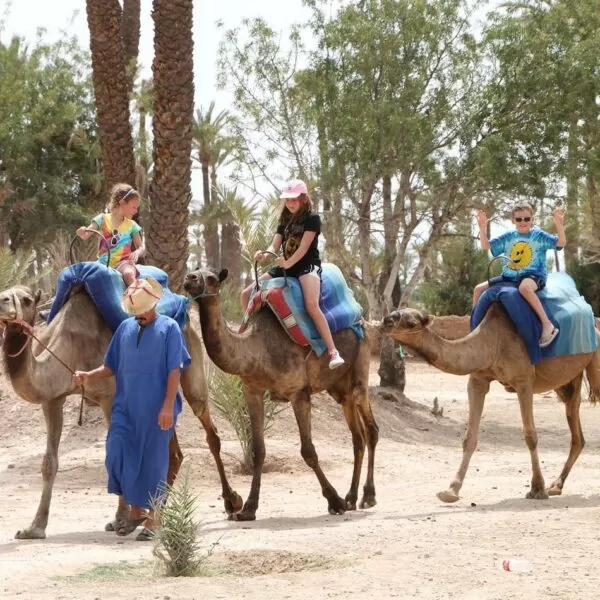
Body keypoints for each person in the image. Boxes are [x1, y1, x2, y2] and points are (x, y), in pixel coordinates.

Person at [73, 278, 191, 541]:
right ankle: (136, 511)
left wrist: (168, 406)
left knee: (154, 462)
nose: (140, 315)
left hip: (157, 407)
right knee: (118, 454)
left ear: (154, 304)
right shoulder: (125, 328)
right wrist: (87, 375)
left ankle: (155, 519)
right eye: (136, 311)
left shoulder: (170, 328)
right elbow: (111, 366)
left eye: (144, 310)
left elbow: (175, 370)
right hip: (125, 407)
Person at [240, 178, 345, 369]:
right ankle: (247, 335)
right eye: (287, 199)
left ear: (303, 198)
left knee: (311, 305)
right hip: (285, 265)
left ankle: (332, 351)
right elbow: (275, 244)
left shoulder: (313, 219)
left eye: (294, 199)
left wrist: (287, 263)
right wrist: (263, 254)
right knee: (246, 293)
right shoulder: (285, 219)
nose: (290, 203)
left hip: (306, 266)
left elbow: (304, 248)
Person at [473, 203, 566, 348]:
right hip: (509, 276)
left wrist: (559, 225)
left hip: (533, 275)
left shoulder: (538, 235)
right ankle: (474, 329)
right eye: (519, 219)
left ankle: (547, 325)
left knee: (525, 288)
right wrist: (482, 227)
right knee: (478, 289)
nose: (523, 222)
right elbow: (486, 246)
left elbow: (561, 243)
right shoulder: (509, 236)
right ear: (513, 220)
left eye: (526, 219)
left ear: (532, 220)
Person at [76, 183, 145, 286]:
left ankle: (136, 296)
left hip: (123, 263)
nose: (135, 211)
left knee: (129, 274)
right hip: (103, 263)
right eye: (134, 207)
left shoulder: (132, 225)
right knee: (84, 278)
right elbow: (85, 235)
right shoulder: (102, 219)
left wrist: (137, 252)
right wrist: (82, 231)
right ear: (122, 202)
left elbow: (141, 247)